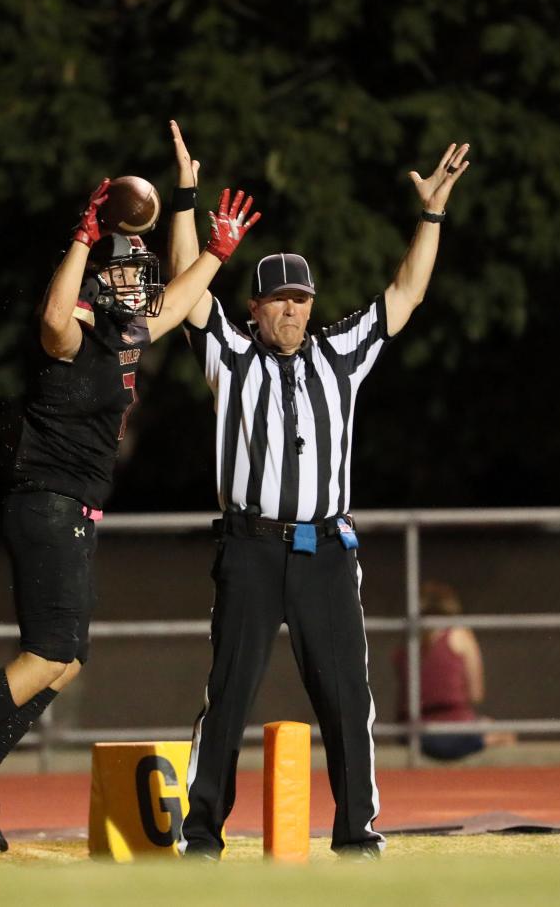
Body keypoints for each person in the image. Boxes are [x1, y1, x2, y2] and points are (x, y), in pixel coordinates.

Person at [0, 161, 260, 852]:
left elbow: (179, 302)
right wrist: (84, 239)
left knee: (68, 660)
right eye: (121, 270)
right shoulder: (77, 331)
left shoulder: (128, 332)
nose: (136, 281)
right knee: (48, 652)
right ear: (96, 274)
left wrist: (216, 251)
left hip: (77, 511)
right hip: (47, 502)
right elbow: (53, 319)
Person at [166, 120, 470, 859]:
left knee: (347, 699)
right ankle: (201, 836)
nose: (294, 309)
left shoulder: (341, 352)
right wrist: (184, 198)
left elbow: (406, 291)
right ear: (256, 309)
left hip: (327, 551)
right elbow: (184, 292)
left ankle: (358, 833)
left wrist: (431, 213)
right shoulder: (230, 356)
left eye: (301, 298)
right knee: (229, 694)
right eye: (280, 300)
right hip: (250, 548)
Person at [393, 580, 516, 761]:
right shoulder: (460, 634)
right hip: (454, 731)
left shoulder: (408, 640)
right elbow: (476, 694)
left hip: (412, 733)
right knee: (504, 734)